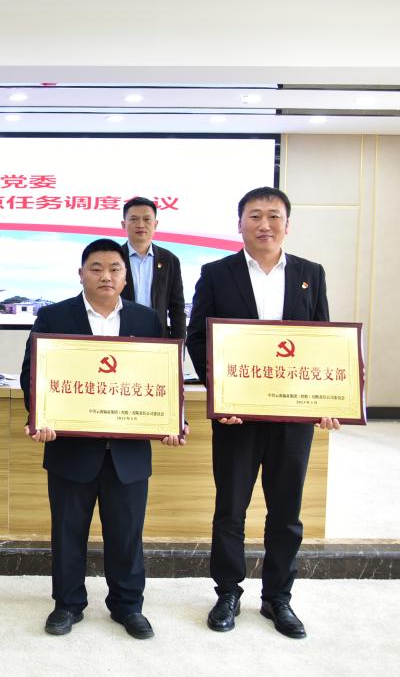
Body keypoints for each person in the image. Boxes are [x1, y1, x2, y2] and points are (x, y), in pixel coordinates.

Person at [186, 186, 340, 639]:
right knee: (230, 509)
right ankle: (227, 593)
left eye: (274, 216)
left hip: (293, 416)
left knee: (287, 511)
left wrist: (329, 400)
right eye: (255, 215)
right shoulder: (217, 273)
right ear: (240, 224)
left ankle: (278, 597)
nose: (264, 224)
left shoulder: (310, 273)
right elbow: (198, 338)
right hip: (237, 416)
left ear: (287, 225)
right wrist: (221, 393)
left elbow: (323, 341)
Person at [20, 238, 187, 639]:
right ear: (81, 274)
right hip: (71, 448)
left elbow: (164, 377)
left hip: (128, 453)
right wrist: (39, 415)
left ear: (126, 277)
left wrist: (172, 419)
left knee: (127, 536)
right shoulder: (54, 316)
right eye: (96, 268)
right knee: (67, 533)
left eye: (114, 268)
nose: (105, 276)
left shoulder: (147, 320)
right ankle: (67, 604)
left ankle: (128, 606)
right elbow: (32, 373)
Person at [119, 196, 186, 339]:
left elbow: (177, 308)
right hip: (120, 337)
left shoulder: (169, 260)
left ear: (155, 224)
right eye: (134, 219)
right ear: (123, 224)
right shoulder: (114, 257)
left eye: (147, 219)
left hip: (158, 339)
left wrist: (179, 345)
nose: (140, 225)